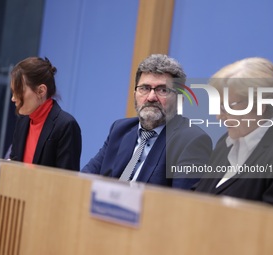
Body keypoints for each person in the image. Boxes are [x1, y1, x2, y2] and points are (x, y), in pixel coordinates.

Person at [193, 57, 273, 211]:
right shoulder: (227, 142)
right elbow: (199, 195)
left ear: (260, 105)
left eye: (226, 107)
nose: (218, 116)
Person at [81, 54, 212, 189]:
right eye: (144, 88)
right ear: (134, 95)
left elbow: (180, 204)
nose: (151, 97)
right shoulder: (120, 129)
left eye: (162, 90)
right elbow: (84, 179)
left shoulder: (192, 141)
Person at [9, 57, 82, 171]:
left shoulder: (66, 125)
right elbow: (13, 163)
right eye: (13, 91)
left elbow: (67, 181)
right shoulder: (22, 121)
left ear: (41, 91)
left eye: (19, 91)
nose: (13, 98)